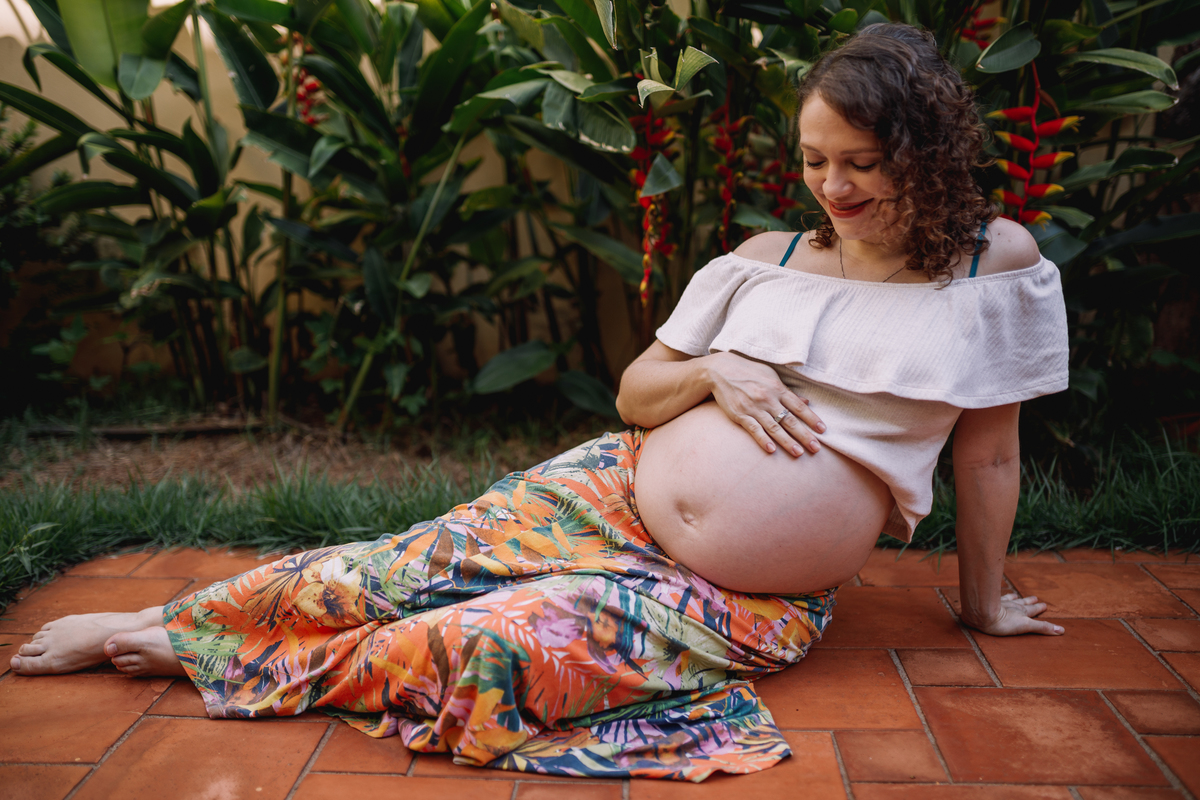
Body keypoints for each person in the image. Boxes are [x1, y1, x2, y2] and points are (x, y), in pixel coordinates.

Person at [9, 23, 1068, 783]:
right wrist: (715, 372)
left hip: (750, 590)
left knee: (488, 648)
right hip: (609, 490)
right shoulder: (767, 256)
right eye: (813, 159)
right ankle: (162, 621)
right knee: (389, 567)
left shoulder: (992, 267)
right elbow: (637, 389)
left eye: (862, 164)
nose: (830, 188)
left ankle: (208, 654)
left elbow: (986, 455)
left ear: (927, 155)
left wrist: (979, 601)